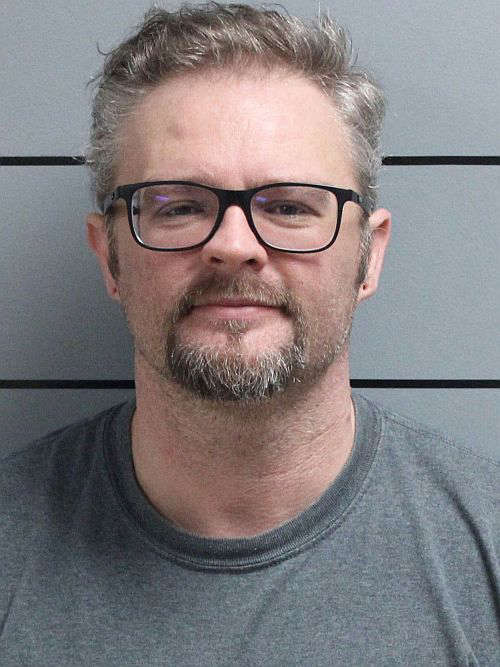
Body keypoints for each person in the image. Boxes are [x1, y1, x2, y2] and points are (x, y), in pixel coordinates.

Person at [1, 3, 498, 664]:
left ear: (369, 256)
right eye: (179, 206)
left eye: (289, 205)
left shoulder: (486, 549)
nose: (234, 246)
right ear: (109, 256)